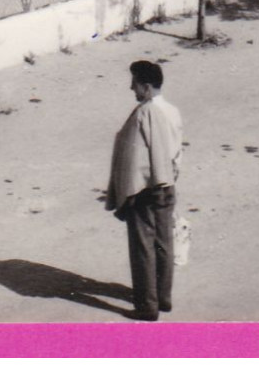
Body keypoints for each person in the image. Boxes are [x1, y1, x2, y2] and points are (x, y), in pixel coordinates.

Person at [105, 59, 184, 321]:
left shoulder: (148, 111)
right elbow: (174, 151)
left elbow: (153, 153)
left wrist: (132, 191)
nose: (131, 88)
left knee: (143, 248)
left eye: (134, 83)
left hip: (148, 188)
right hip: (166, 185)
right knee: (164, 243)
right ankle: (163, 297)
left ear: (146, 86)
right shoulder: (171, 110)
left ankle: (147, 305)